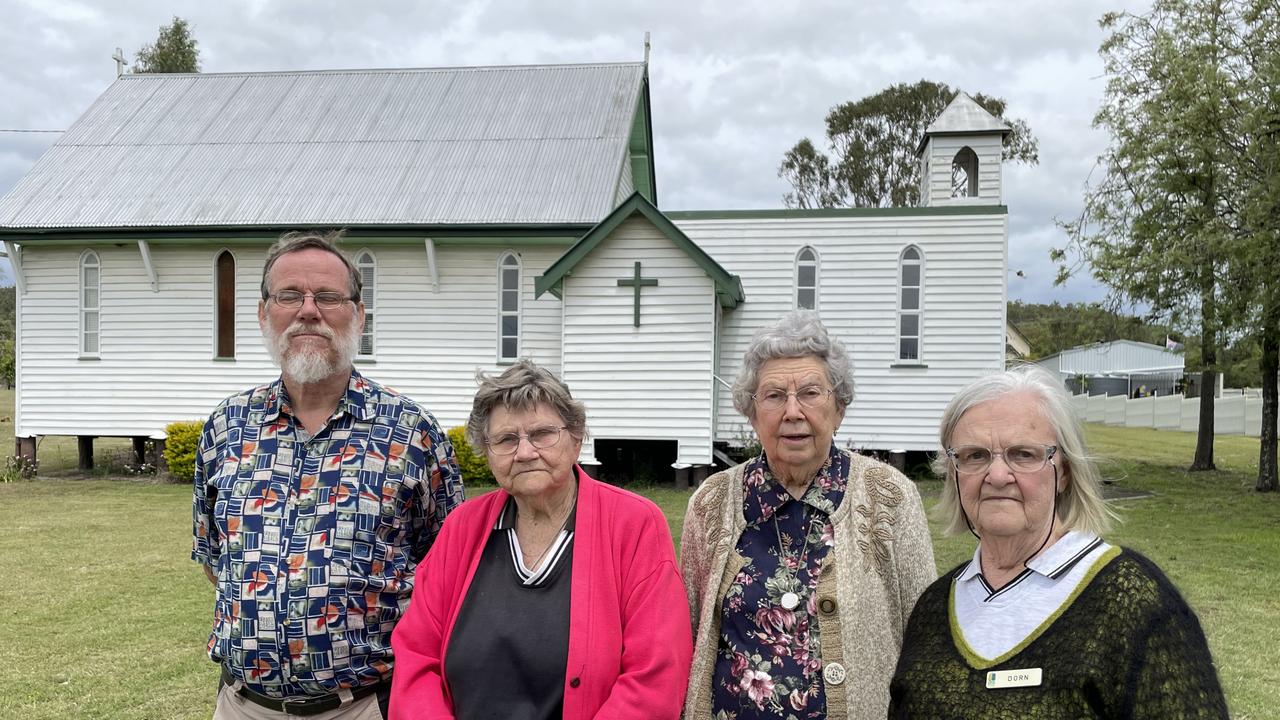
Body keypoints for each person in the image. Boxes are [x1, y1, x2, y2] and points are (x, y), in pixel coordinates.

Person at [192, 230, 464, 719]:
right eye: (289, 295)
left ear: (358, 314)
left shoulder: (411, 434)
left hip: (364, 707)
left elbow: (448, 568)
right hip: (243, 706)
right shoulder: (225, 428)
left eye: (329, 297)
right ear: (263, 311)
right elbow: (215, 558)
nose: (308, 310)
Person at [889, 364, 1228, 719]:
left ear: (1063, 472)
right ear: (954, 472)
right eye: (975, 456)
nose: (998, 475)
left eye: (1024, 454)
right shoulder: (933, 607)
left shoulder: (1132, 602)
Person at [389, 360, 693, 720]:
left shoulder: (635, 525)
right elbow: (417, 658)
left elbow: (655, 677)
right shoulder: (462, 528)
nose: (525, 452)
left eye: (542, 434)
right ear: (487, 452)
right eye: (506, 439)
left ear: (576, 438)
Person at [681, 310, 936, 720]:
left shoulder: (890, 496)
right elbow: (687, 636)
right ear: (752, 413)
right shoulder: (711, 502)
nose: (793, 412)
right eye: (774, 395)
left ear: (839, 408)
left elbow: (925, 638)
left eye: (811, 393)